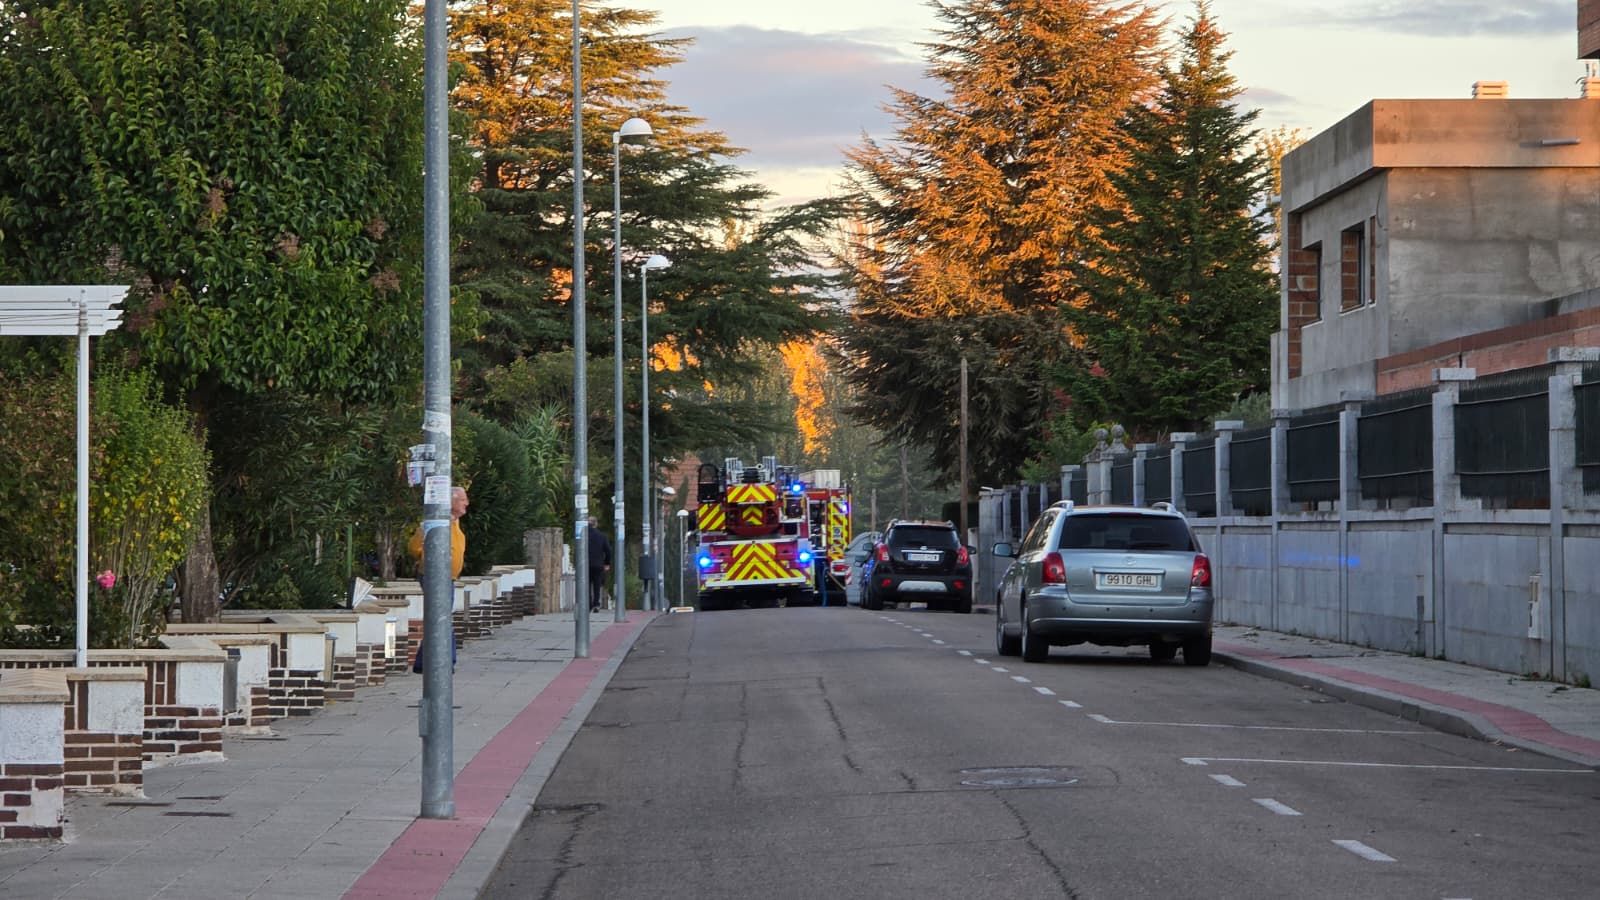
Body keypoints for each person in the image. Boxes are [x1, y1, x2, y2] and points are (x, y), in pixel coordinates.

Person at [409, 486, 468, 672]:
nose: (467, 503)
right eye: (462, 499)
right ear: (450, 502)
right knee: (442, 618)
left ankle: (423, 662)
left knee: (439, 618)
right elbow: (414, 548)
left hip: (447, 577)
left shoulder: (455, 523)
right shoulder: (437, 522)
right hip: (435, 576)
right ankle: (445, 661)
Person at [586, 515, 611, 612]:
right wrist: (607, 563)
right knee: (597, 584)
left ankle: (588, 604)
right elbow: (608, 550)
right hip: (598, 564)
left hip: (586, 564)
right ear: (595, 524)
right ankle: (596, 604)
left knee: (586, 585)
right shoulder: (602, 536)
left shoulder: (583, 535)